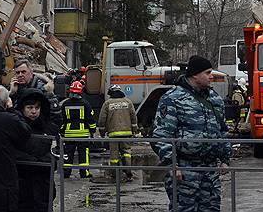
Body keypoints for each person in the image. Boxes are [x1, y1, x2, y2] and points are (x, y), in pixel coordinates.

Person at [152, 56, 231, 212]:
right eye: (207, 72)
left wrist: (225, 158)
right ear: (195, 75)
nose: (212, 76)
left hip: (209, 170)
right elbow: (161, 136)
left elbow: (222, 130)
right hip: (185, 170)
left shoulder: (214, 99)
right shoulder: (173, 98)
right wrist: (173, 165)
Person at [15, 88, 56, 212]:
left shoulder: (49, 127)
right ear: (22, 108)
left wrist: (48, 160)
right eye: (30, 107)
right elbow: (10, 151)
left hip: (43, 185)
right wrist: (32, 161)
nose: (33, 111)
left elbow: (57, 151)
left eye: (37, 108)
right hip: (22, 182)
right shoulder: (15, 126)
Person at [97, 84, 138, 181]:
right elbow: (133, 117)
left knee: (114, 155)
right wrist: (134, 130)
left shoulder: (107, 103)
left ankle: (115, 174)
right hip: (127, 133)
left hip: (113, 134)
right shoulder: (128, 102)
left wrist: (102, 132)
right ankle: (128, 172)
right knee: (126, 152)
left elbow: (102, 119)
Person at [59, 80, 96, 179]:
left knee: (68, 154)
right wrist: (93, 131)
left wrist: (62, 132)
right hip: (82, 134)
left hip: (69, 134)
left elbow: (62, 120)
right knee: (83, 154)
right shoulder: (85, 104)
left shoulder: (65, 104)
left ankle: (66, 173)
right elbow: (90, 119)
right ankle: (84, 173)